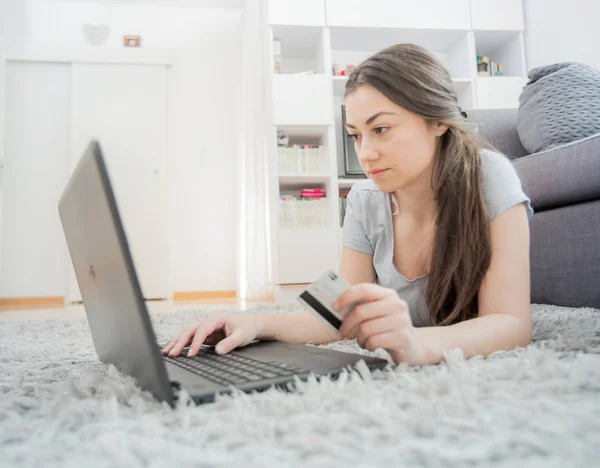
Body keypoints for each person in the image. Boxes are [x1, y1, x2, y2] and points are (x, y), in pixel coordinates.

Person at [163, 44, 533, 366]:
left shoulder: (489, 177)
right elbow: (336, 313)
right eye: (355, 135)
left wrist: (419, 343)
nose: (366, 154)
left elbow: (511, 322)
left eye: (381, 129)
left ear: (438, 121)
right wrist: (255, 323)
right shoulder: (363, 200)